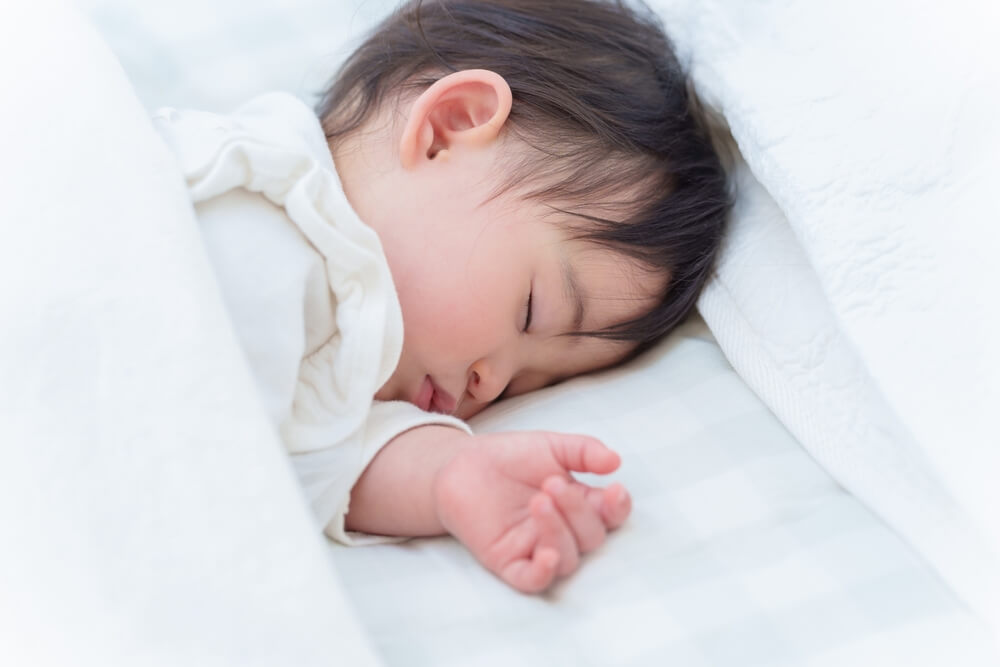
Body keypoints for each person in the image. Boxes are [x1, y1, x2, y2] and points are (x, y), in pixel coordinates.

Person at [153, 0, 729, 593]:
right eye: (531, 311)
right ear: (445, 128)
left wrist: (453, 478)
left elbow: (328, 462)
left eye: (538, 382)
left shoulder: (351, 379)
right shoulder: (243, 173)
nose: (494, 384)